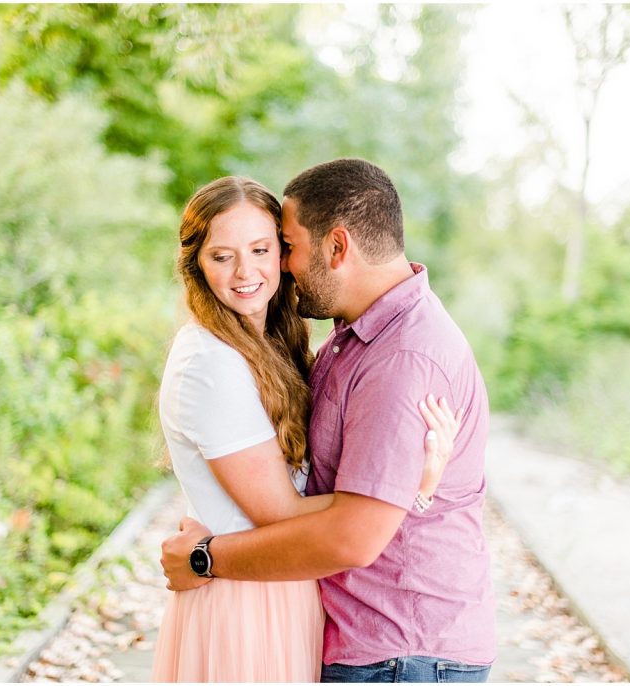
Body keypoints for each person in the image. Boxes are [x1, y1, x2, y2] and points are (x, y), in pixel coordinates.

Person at [161, 159, 496, 683]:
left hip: (400, 653)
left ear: (337, 247)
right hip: (341, 631)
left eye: (278, 247)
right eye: (223, 255)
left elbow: (353, 536)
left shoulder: (401, 356)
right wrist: (418, 490)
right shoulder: (349, 334)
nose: (276, 268)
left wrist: (205, 557)